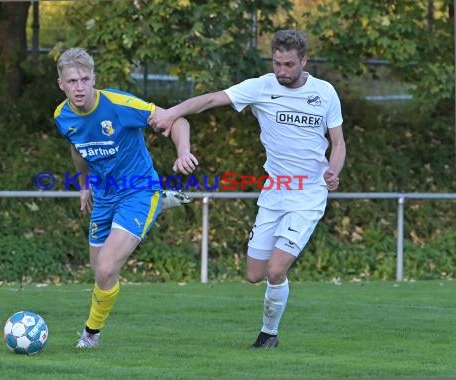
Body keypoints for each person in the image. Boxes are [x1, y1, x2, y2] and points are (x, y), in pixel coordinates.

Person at [149, 29, 346, 349]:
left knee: (277, 268)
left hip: (308, 193)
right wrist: (173, 112)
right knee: (255, 273)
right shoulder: (262, 86)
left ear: (304, 61)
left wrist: (333, 172)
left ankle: (268, 335)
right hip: (274, 192)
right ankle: (272, 307)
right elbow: (212, 99)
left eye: (288, 64)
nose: (281, 70)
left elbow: (338, 144)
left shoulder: (325, 93)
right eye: (276, 63)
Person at [54, 47, 198, 349]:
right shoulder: (62, 115)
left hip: (138, 190)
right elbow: (77, 148)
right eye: (72, 81)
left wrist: (183, 151)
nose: (79, 87)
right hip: (104, 196)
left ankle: (90, 335)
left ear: (94, 79)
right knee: (101, 272)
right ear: (61, 84)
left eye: (84, 79)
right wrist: (84, 185)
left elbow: (176, 120)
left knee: (106, 267)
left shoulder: (119, 105)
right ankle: (160, 203)